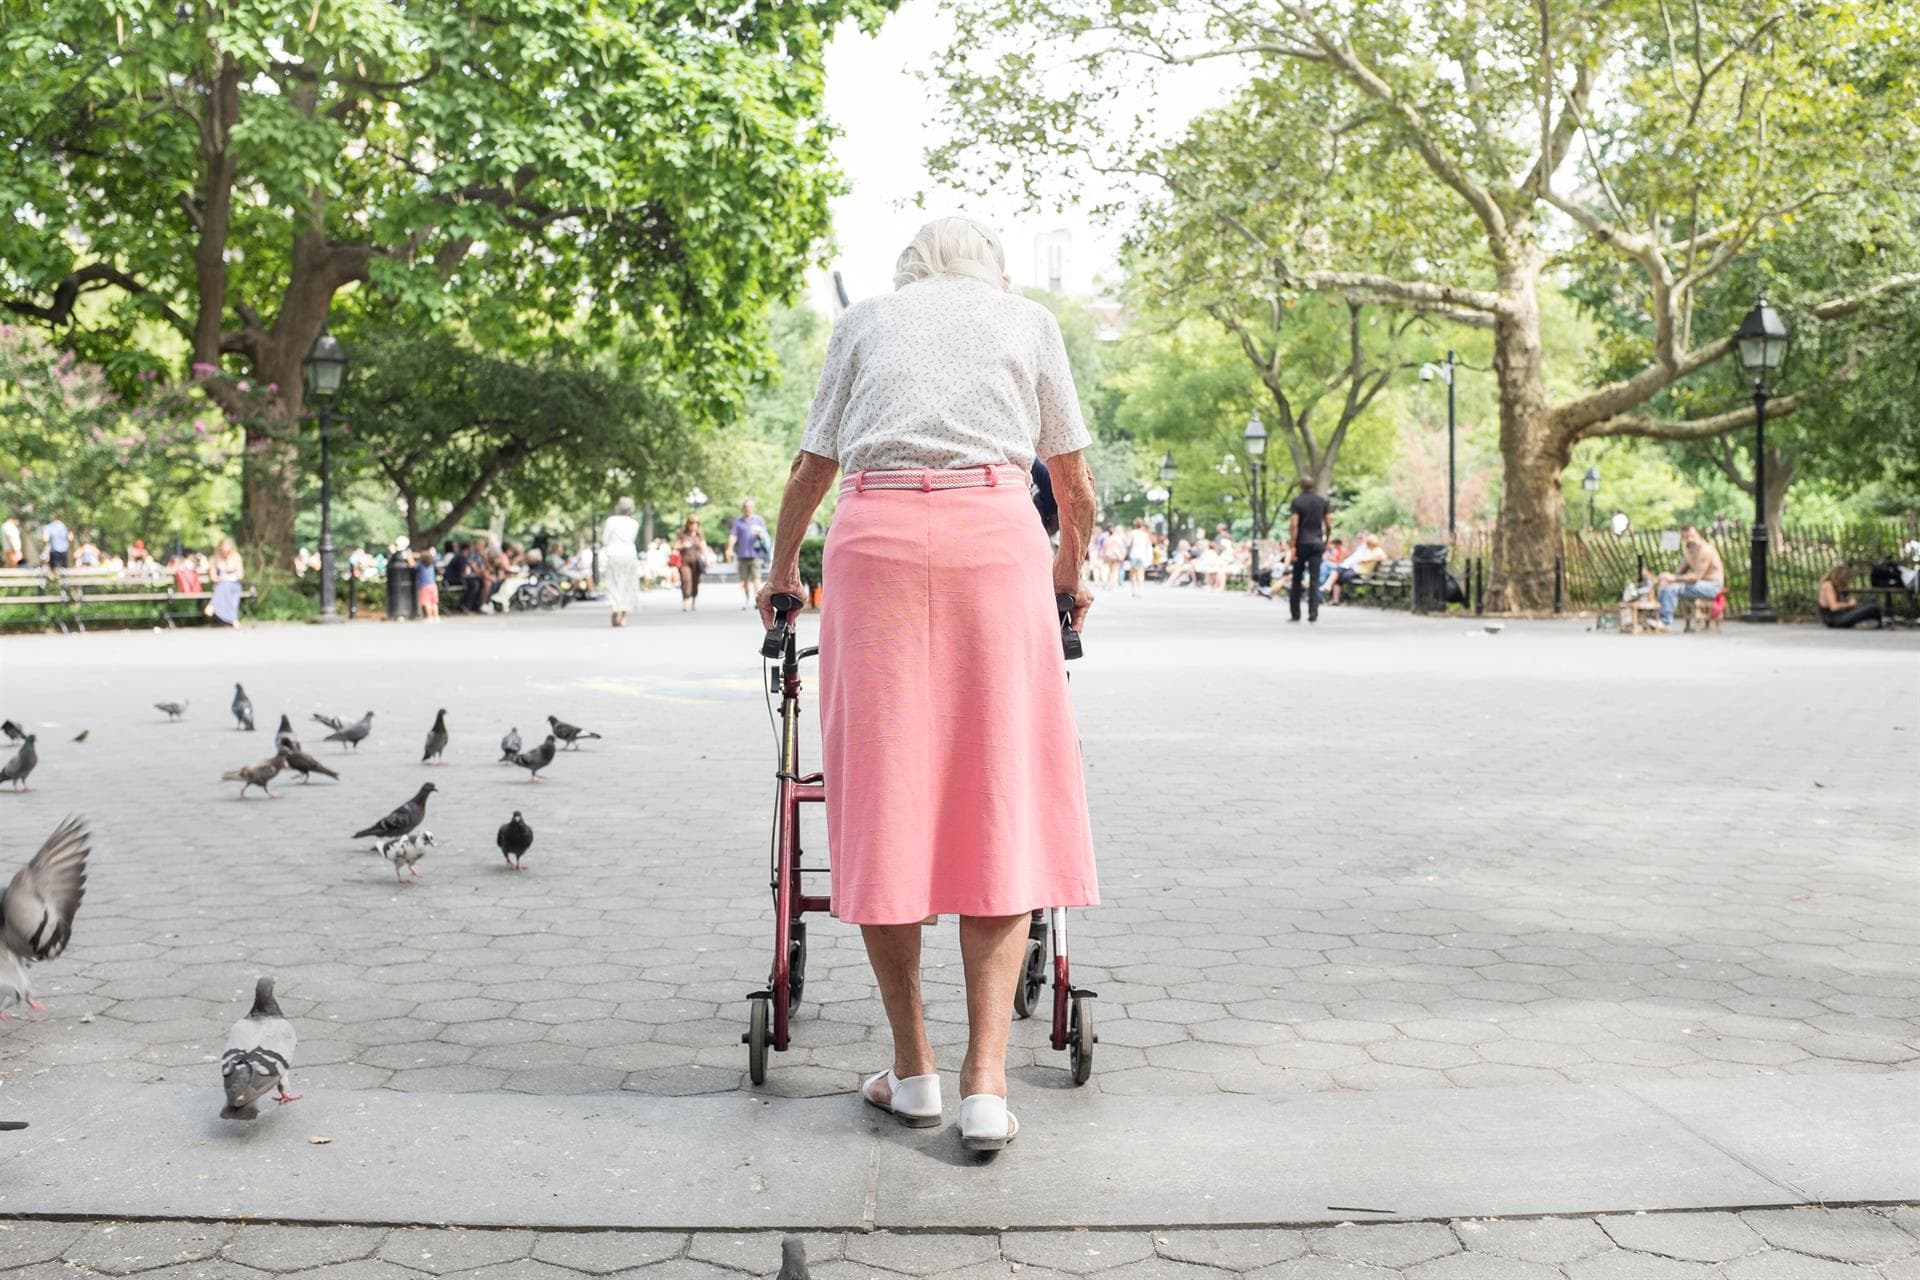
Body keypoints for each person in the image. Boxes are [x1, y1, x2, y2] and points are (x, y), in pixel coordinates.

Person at [756, 215, 1098, 1152]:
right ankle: (987, 1087)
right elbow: (1073, 484)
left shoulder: (864, 321)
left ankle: (914, 1073)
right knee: (1001, 794)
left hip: (877, 547)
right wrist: (1068, 571)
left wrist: (784, 570)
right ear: (993, 271)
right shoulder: (1028, 323)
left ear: (907, 275)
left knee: (884, 796)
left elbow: (810, 467)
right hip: (995, 542)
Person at [1652, 524, 1724, 631]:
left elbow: (1696, 577)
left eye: (1692, 536)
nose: (1689, 539)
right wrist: (1667, 579)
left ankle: (1665, 622)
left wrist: (1673, 579)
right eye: (1686, 537)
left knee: (1673, 588)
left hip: (1712, 586)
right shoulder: (1689, 552)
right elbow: (1678, 573)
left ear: (1698, 534)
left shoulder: (1706, 550)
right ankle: (1656, 618)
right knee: (1666, 586)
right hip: (1698, 585)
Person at [1286, 476, 1332, 623]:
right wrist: (1326, 539)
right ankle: (1313, 614)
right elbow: (1329, 523)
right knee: (1314, 578)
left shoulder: (1297, 501)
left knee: (1297, 579)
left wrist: (1293, 546)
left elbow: (1294, 525)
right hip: (1317, 542)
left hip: (1302, 543)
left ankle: (1295, 614)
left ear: (1301, 486)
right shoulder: (1322, 501)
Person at [602, 496, 642, 627]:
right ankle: (624, 615)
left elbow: (605, 540)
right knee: (628, 584)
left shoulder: (611, 521)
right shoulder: (634, 523)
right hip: (629, 554)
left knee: (612, 583)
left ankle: (614, 606)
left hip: (614, 554)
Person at [728, 499, 771, 611]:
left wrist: (759, 535)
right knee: (744, 580)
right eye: (746, 507)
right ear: (743, 508)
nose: (748, 509)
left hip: (755, 554)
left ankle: (758, 601)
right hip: (742, 555)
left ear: (753, 508)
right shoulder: (738, 521)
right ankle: (747, 600)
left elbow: (764, 534)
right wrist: (729, 548)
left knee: (756, 578)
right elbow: (733, 536)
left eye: (750, 507)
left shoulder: (759, 520)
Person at [1816, 563, 1887, 629]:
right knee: (1872, 607)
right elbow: (1834, 607)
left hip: (1840, 615)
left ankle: (1876, 622)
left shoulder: (1834, 586)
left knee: (1872, 601)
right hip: (1834, 619)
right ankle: (1879, 623)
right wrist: (1849, 604)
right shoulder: (1828, 585)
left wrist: (1848, 601)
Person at [1327, 532, 1385, 605]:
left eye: (1369, 543)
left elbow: (1383, 557)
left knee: (1338, 577)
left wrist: (1370, 559)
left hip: (1362, 574)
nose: (1367, 544)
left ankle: (1335, 596)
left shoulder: (1378, 551)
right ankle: (1335, 599)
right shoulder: (1368, 550)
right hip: (1356, 570)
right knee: (1338, 575)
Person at [206, 537, 245, 626]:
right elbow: (213, 577)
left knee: (228, 588)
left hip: (234, 584)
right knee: (224, 586)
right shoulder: (214, 559)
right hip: (220, 585)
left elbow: (241, 575)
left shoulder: (236, 557)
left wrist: (232, 572)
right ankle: (234, 619)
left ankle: (212, 606)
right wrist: (220, 577)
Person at [674, 516, 707, 611]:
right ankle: (685, 602)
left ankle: (694, 601)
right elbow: (675, 546)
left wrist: (707, 558)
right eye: (691, 523)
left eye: (696, 523)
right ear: (688, 524)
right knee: (686, 580)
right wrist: (682, 545)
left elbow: (704, 547)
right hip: (685, 562)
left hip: (697, 562)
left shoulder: (699, 536)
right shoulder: (683, 535)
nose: (693, 526)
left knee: (695, 582)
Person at [1126, 518, 1152, 597]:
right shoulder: (1145, 534)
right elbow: (1147, 546)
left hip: (1134, 554)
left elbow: (1129, 544)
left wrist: (1128, 551)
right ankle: (1140, 591)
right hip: (1142, 555)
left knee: (1133, 573)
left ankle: (1134, 591)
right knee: (1141, 573)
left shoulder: (1132, 533)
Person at [415, 548, 440, 622]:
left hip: (424, 586)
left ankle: (429, 617)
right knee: (434, 602)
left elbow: (412, 566)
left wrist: (411, 556)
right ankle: (436, 616)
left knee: (427, 602)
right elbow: (436, 556)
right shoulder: (431, 564)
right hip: (433, 585)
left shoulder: (420, 565)